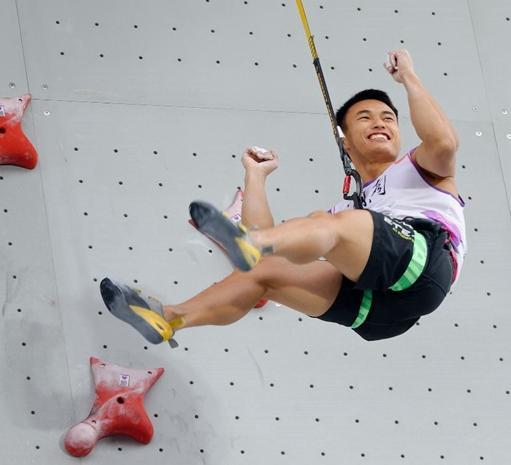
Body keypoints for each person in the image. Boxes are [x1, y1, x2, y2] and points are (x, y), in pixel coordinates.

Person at [100, 49, 467, 346]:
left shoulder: (419, 168)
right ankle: (169, 318)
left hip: (426, 266)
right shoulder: (342, 213)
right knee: (265, 268)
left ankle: (253, 244)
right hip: (380, 308)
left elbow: (444, 142)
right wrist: (256, 177)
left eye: (389, 118)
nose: (380, 123)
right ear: (345, 141)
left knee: (326, 226)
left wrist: (409, 79)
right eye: (365, 118)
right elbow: (263, 246)